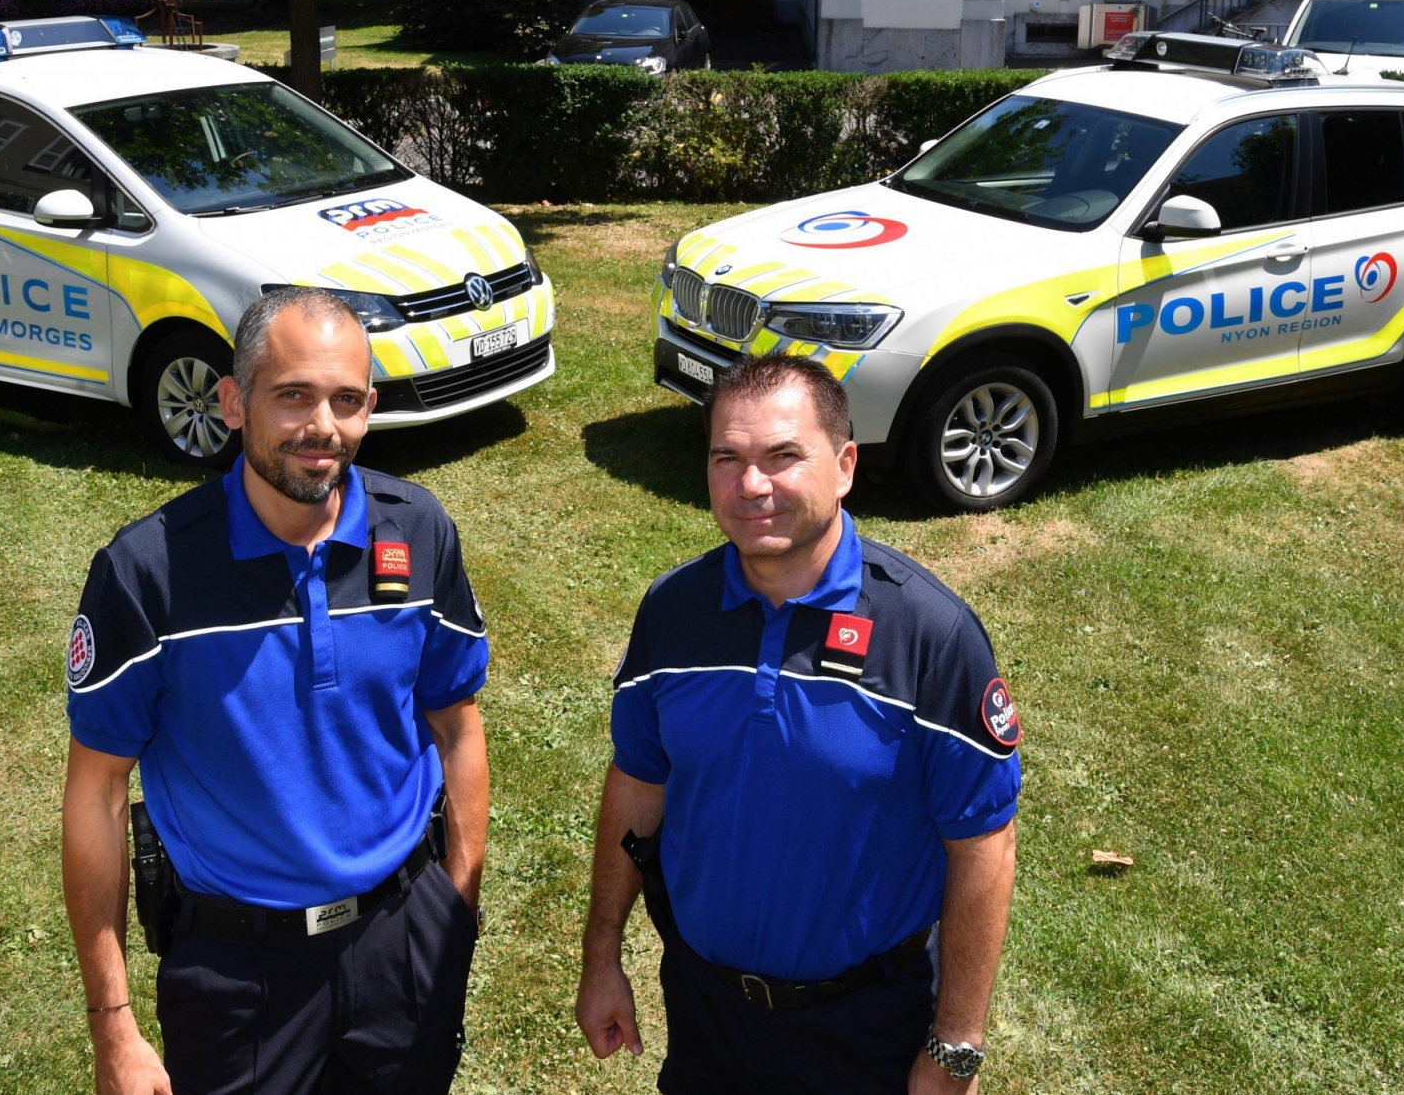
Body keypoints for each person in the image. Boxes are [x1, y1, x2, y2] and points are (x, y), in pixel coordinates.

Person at [62, 287, 489, 1095]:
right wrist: (112, 1025)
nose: (321, 426)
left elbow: (458, 726)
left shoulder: (419, 532)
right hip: (235, 971)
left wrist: (453, 911)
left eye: (346, 400)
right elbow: (97, 793)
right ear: (233, 402)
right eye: (292, 395)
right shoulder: (146, 573)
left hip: (403, 944)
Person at [575, 354, 1021, 1094]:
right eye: (728, 458)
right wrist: (601, 959)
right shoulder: (672, 612)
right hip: (706, 1009)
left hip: (867, 1028)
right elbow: (637, 784)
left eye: (784, 457)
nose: (753, 486)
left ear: (844, 465)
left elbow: (983, 844)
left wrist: (955, 1046)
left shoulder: (929, 635)